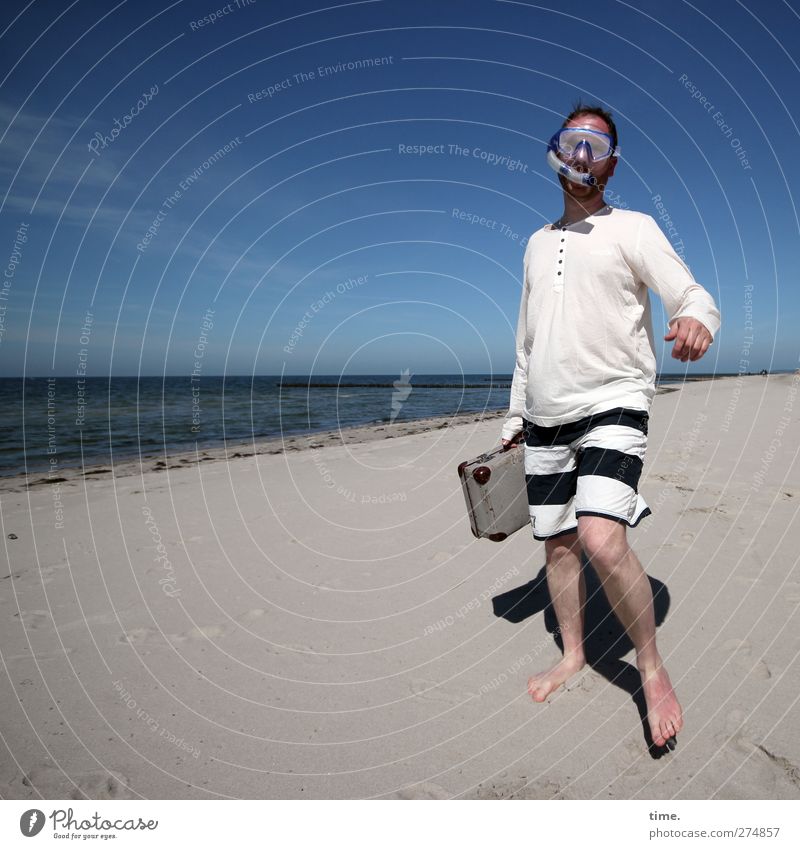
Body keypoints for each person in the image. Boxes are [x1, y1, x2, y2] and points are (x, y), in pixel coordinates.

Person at [500, 102, 721, 750]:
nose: (584, 155)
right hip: (545, 412)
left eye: (597, 145)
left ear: (612, 162)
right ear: (557, 150)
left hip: (614, 400)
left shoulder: (635, 228)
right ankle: (573, 654)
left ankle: (650, 669)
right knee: (559, 545)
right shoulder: (536, 245)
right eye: (575, 141)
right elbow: (525, 341)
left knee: (601, 537)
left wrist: (697, 319)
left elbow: (691, 293)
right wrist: (515, 416)